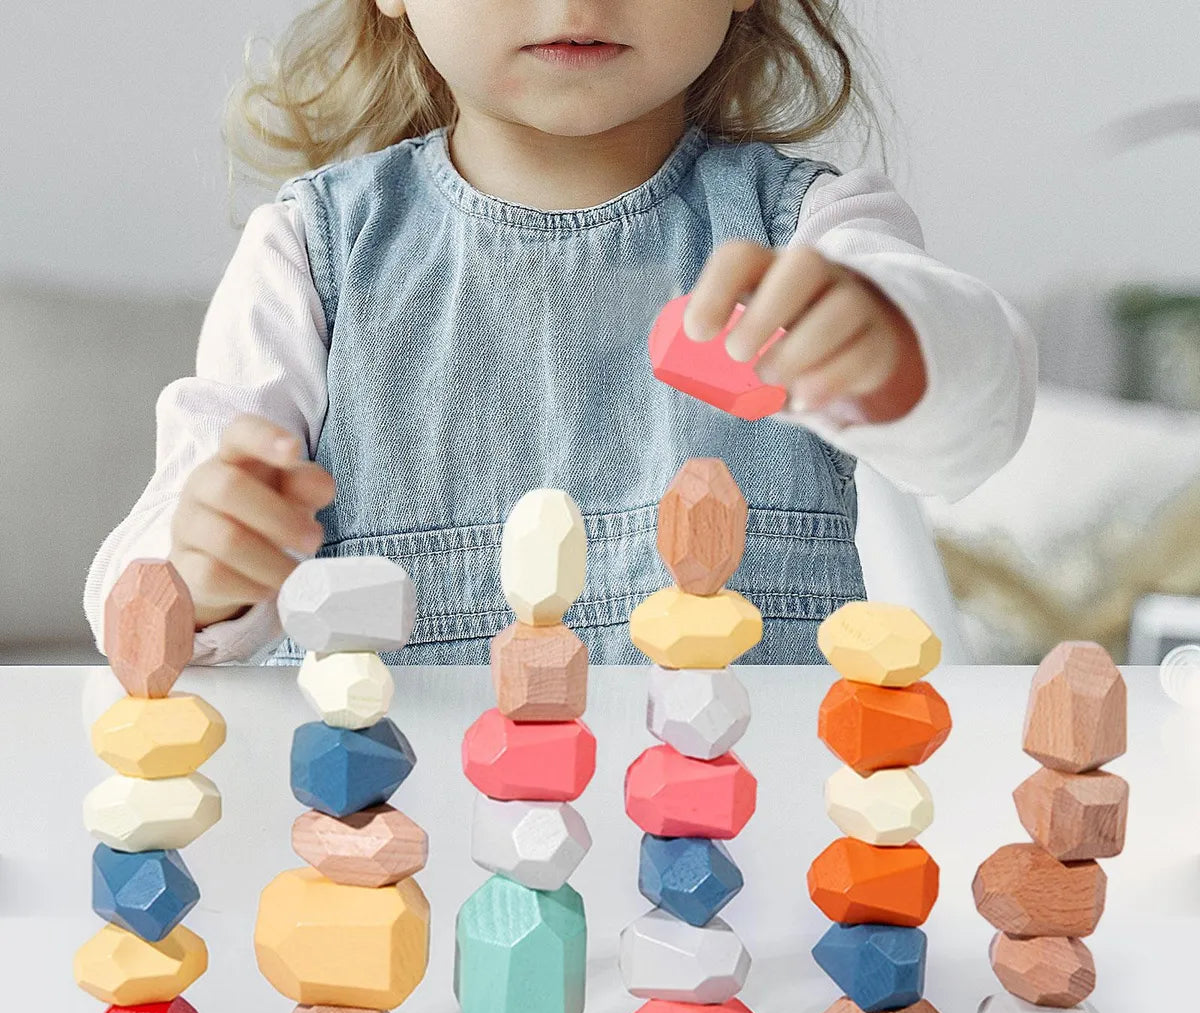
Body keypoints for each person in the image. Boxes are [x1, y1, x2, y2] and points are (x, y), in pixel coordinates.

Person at [83, 0, 1036, 666]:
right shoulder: (309, 252)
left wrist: (894, 350)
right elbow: (138, 590)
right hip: (390, 882)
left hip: (742, 879)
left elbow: (978, 423)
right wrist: (200, 573)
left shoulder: (815, 236)